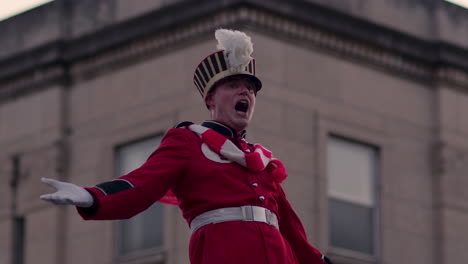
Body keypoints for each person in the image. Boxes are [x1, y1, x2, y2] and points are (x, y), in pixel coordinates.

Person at [41, 29, 332, 264]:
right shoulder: (188, 141)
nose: (245, 92)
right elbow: (141, 184)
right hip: (223, 253)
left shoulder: (261, 161)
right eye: (233, 85)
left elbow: (292, 231)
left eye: (250, 88)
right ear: (210, 100)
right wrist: (91, 196)